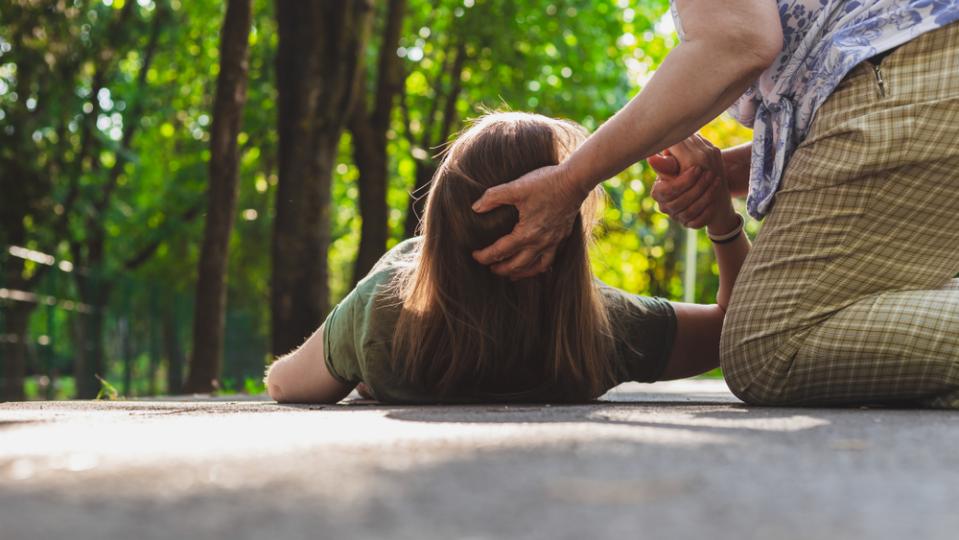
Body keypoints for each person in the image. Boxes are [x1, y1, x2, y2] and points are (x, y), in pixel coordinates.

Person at [470, 1, 959, 407]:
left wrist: (572, 178)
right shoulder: (606, 328)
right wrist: (720, 179)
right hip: (924, 63)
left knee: (768, 350)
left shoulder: (606, 327)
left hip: (914, 65)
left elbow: (737, 41)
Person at [264, 112, 748, 404]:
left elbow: (284, 385)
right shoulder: (603, 328)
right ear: (565, 232)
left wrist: (361, 345)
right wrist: (722, 221)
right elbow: (737, 331)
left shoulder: (384, 312)